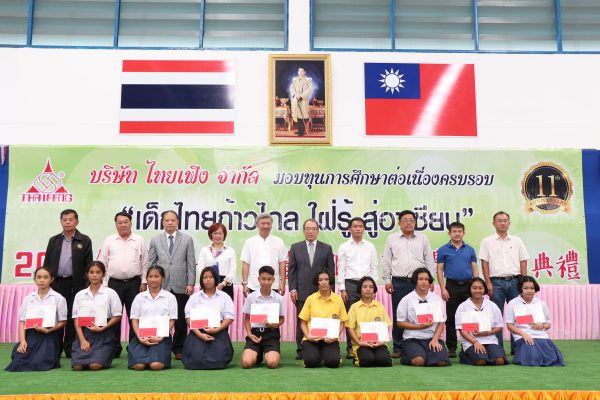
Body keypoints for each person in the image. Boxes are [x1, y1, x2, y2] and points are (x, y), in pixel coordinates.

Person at [382, 210, 436, 358]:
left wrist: (431, 280)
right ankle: (398, 347)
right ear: (399, 223)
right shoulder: (392, 238)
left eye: (411, 220)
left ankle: (422, 343)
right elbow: (386, 260)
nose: (408, 223)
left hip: (418, 282)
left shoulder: (423, 238)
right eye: (405, 220)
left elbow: (429, 259)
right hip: (398, 281)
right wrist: (387, 280)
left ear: (415, 222)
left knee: (421, 313)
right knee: (399, 315)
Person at [97, 211, 148, 358]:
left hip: (135, 283)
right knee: (114, 316)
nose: (123, 225)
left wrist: (144, 281)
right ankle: (114, 348)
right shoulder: (109, 240)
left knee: (135, 316)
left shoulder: (139, 240)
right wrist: (104, 283)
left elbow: (145, 262)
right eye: (120, 222)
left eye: (126, 222)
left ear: (131, 223)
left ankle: (134, 346)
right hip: (113, 284)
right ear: (116, 224)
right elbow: (102, 262)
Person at [43, 209, 93, 357]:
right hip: (56, 284)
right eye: (64, 220)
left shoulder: (84, 240)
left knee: (72, 317)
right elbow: (47, 264)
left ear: (77, 222)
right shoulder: (54, 240)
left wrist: (85, 286)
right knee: (56, 316)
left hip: (76, 285)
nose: (67, 222)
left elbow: (88, 266)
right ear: (61, 222)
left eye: (70, 220)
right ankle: (55, 349)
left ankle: (70, 349)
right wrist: (47, 281)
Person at [148, 210, 196, 360]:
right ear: (162, 222)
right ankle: (161, 344)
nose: (170, 222)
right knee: (161, 316)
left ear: (177, 222)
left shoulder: (187, 239)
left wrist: (191, 283)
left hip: (181, 284)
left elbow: (191, 263)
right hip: (161, 285)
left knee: (180, 318)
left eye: (173, 220)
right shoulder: (155, 240)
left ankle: (179, 348)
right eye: (167, 220)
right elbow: (151, 263)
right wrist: (150, 282)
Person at [480, 211, 529, 353]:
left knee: (518, 314)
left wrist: (524, 283)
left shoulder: (517, 241)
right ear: (493, 223)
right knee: (496, 316)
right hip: (496, 282)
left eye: (505, 220)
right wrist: (488, 283)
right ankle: (498, 348)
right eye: (499, 220)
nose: (502, 223)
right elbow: (484, 263)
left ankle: (518, 347)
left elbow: (523, 261)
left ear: (509, 223)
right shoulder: (487, 241)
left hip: (515, 281)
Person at [288, 218, 335, 359]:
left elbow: (331, 272)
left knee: (322, 319)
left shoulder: (326, 248)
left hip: (322, 292)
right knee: (301, 320)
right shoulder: (295, 247)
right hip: (301, 291)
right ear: (303, 231)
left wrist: (331, 291)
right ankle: (301, 349)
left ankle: (323, 347)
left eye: (314, 229)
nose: (311, 231)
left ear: (318, 231)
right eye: (308, 228)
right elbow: (292, 271)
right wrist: (292, 289)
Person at [5, 267, 67, 372]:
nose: (42, 280)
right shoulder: (28, 298)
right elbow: (22, 322)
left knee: (41, 362)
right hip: (31, 335)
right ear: (35, 279)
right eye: (39, 277)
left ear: (51, 279)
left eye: (45, 277)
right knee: (17, 361)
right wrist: (22, 341)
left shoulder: (58, 298)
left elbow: (63, 322)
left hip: (49, 335)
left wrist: (48, 331)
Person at [337, 217, 378, 359]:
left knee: (367, 315)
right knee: (351, 317)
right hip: (350, 284)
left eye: (360, 226)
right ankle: (351, 347)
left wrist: (373, 287)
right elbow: (341, 268)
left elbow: (374, 267)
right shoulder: (344, 247)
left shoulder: (370, 246)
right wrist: (342, 289)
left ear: (364, 229)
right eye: (355, 226)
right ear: (349, 229)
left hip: (366, 284)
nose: (358, 228)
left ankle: (369, 343)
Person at [436, 221, 479, 358]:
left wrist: (476, 286)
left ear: (463, 233)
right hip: (451, 286)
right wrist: (443, 288)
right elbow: (440, 269)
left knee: (469, 316)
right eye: (454, 231)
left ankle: (469, 344)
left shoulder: (470, 249)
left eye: (459, 231)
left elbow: (474, 268)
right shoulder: (443, 250)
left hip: (468, 285)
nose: (457, 234)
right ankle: (452, 347)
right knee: (451, 318)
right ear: (449, 233)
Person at [71, 261, 123, 371]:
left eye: (98, 272)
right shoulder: (80, 295)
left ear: (103, 274)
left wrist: (102, 328)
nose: (94, 275)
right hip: (85, 334)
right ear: (87, 274)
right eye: (91, 272)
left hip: (104, 334)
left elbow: (117, 315)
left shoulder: (110, 293)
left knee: (95, 366)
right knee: (77, 366)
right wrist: (82, 340)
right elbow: (76, 319)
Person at [182, 267, 235, 370]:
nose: (208, 280)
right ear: (201, 280)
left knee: (220, 358)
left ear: (215, 279)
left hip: (218, 330)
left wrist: (217, 329)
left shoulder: (224, 296)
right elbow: (188, 317)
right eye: (205, 277)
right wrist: (200, 334)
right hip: (198, 331)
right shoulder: (194, 297)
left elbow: (229, 317)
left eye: (211, 277)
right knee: (195, 358)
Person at [506, 276, 564, 366]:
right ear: (520, 289)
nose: (529, 291)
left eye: (532, 288)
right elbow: (509, 325)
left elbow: (548, 324)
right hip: (523, 337)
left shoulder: (541, 303)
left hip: (541, 336)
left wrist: (542, 327)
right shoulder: (513, 303)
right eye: (525, 288)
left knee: (552, 359)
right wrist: (523, 334)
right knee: (533, 358)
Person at [397, 267, 449, 367]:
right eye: (420, 279)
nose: (424, 282)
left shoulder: (436, 299)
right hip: (413, 338)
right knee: (419, 361)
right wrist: (419, 326)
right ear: (415, 281)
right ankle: (408, 356)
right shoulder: (406, 299)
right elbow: (400, 322)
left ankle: (429, 355)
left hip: (432, 337)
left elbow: (441, 322)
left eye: (426, 279)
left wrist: (435, 339)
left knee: (441, 362)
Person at [128, 266, 177, 371]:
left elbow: (172, 320)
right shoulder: (139, 297)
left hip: (161, 337)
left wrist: (161, 337)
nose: (153, 279)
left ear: (162, 278)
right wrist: (140, 337)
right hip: (142, 336)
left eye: (156, 276)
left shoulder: (170, 297)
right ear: (146, 278)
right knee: (139, 366)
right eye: (150, 276)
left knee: (156, 365)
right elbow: (134, 320)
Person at [298, 269, 348, 368]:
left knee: (333, 363)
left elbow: (342, 322)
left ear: (330, 281)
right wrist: (308, 337)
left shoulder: (338, 299)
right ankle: (318, 354)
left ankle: (326, 354)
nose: (324, 282)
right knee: (311, 362)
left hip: (330, 339)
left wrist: (335, 336)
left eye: (326, 279)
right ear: (317, 282)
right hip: (312, 339)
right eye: (320, 280)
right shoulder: (310, 299)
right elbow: (303, 322)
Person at [241, 266, 286, 369]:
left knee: (272, 363)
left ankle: (266, 353)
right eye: (263, 279)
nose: (266, 282)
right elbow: (247, 318)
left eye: (269, 279)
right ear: (259, 279)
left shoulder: (278, 298)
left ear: (273, 280)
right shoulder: (251, 297)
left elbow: (282, 318)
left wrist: (274, 324)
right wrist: (249, 334)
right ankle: (258, 354)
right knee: (246, 363)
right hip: (254, 334)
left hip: (271, 334)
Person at [455, 277, 506, 366]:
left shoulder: (492, 305)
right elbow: (462, 330)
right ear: (470, 289)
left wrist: (487, 333)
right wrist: (475, 342)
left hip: (490, 340)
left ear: (484, 289)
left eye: (480, 288)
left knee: (500, 361)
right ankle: (464, 355)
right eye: (474, 288)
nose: (477, 291)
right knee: (481, 361)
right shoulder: (463, 307)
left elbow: (499, 327)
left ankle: (486, 355)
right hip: (471, 342)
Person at [346, 276, 392, 367]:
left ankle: (377, 356)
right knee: (367, 360)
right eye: (365, 287)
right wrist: (359, 342)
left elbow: (386, 325)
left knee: (385, 361)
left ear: (374, 290)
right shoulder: (354, 307)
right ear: (360, 289)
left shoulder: (380, 306)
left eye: (371, 287)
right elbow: (350, 328)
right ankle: (359, 356)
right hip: (361, 344)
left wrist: (381, 342)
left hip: (378, 343)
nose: (368, 289)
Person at [241, 213, 287, 297]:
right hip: (254, 284)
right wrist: (245, 283)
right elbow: (246, 264)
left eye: (268, 223)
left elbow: (282, 264)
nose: (265, 226)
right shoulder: (249, 242)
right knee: (254, 306)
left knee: (274, 306)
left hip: (274, 284)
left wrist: (282, 283)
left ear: (271, 225)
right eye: (263, 223)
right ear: (257, 225)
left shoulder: (279, 242)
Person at [197, 222, 236, 300]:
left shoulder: (230, 251)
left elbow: (233, 269)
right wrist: (207, 280)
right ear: (211, 235)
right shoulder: (205, 250)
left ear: (224, 235)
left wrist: (223, 283)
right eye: (215, 233)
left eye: (220, 233)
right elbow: (201, 268)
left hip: (225, 284)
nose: (218, 236)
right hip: (208, 282)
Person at [289, 66, 313, 136]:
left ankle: (302, 132)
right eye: (299, 71)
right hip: (296, 99)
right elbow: (292, 88)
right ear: (298, 72)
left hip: (303, 100)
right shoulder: (295, 79)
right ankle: (300, 131)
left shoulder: (308, 80)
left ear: (305, 72)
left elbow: (310, 89)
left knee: (303, 115)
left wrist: (301, 96)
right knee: (297, 115)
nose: (300, 72)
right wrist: (296, 94)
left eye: (302, 71)